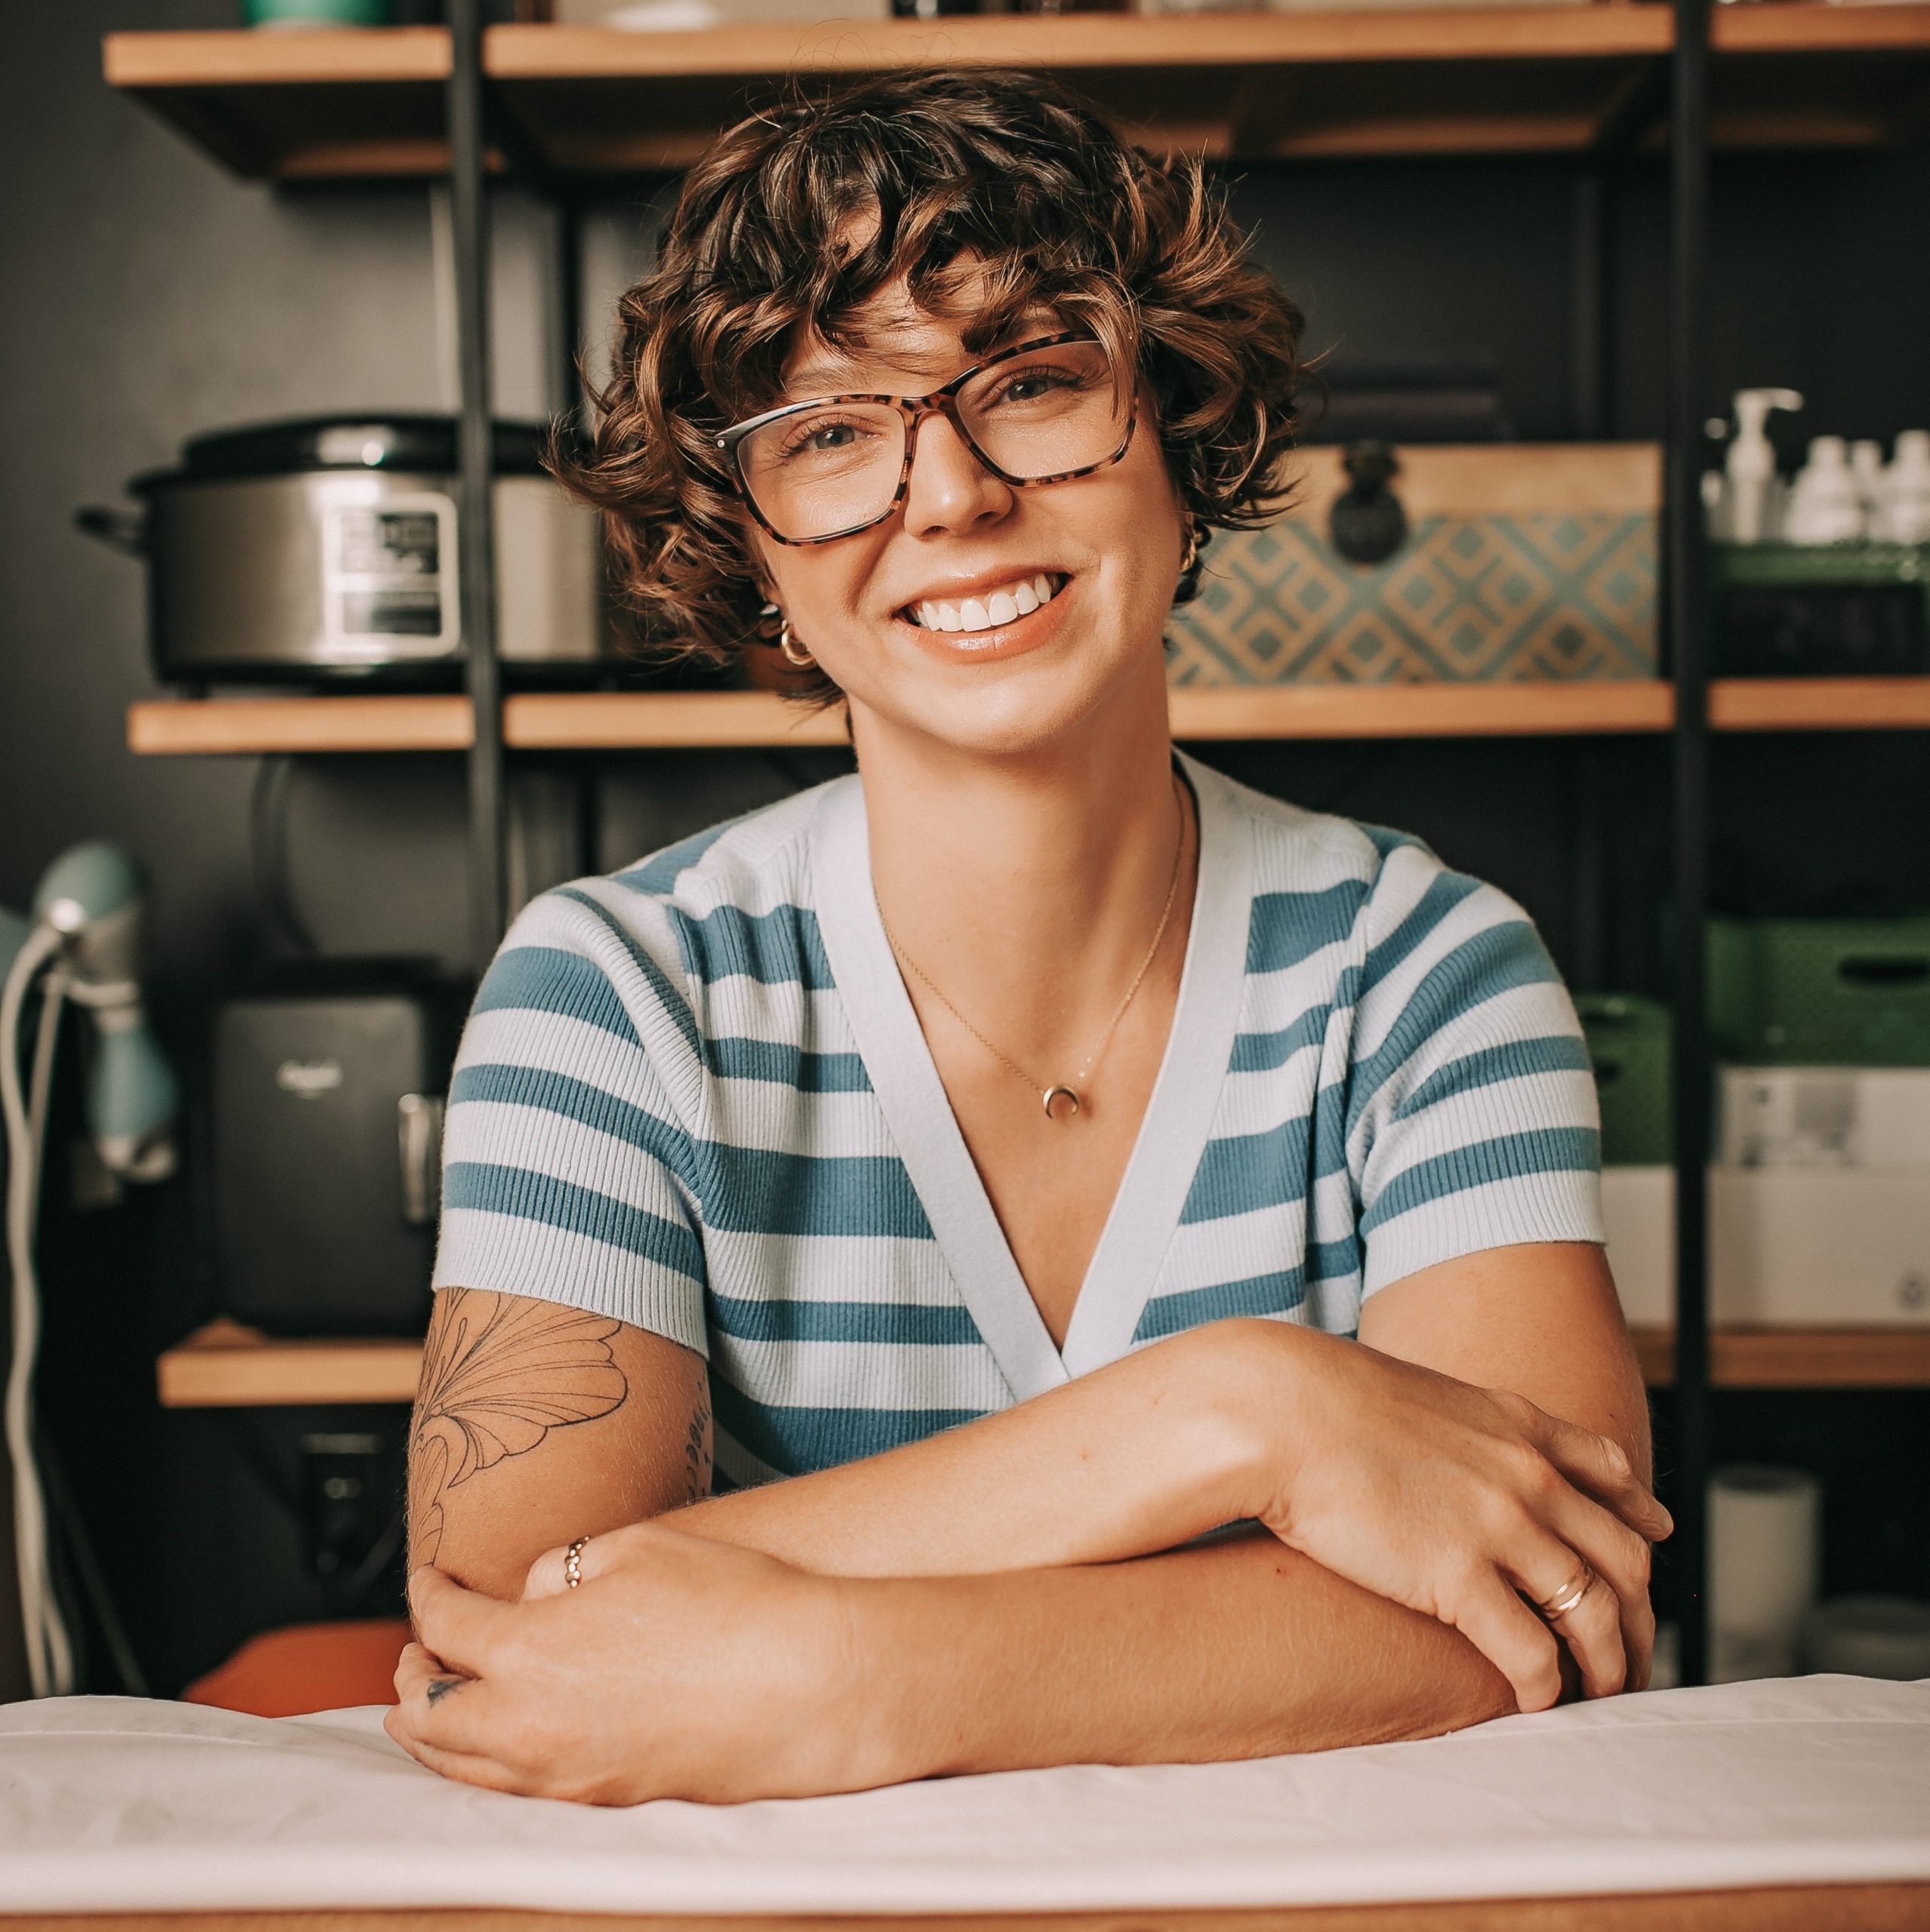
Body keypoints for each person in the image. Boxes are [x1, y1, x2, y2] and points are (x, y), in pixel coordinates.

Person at [385, 69, 1669, 1807]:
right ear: (749, 548)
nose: (953, 494)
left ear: (1182, 431)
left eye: (1035, 381)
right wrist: (1241, 1415)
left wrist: (849, 1681)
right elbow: (505, 1640)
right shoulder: (614, 995)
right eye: (829, 430)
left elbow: (1554, 1605)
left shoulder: (1426, 970)